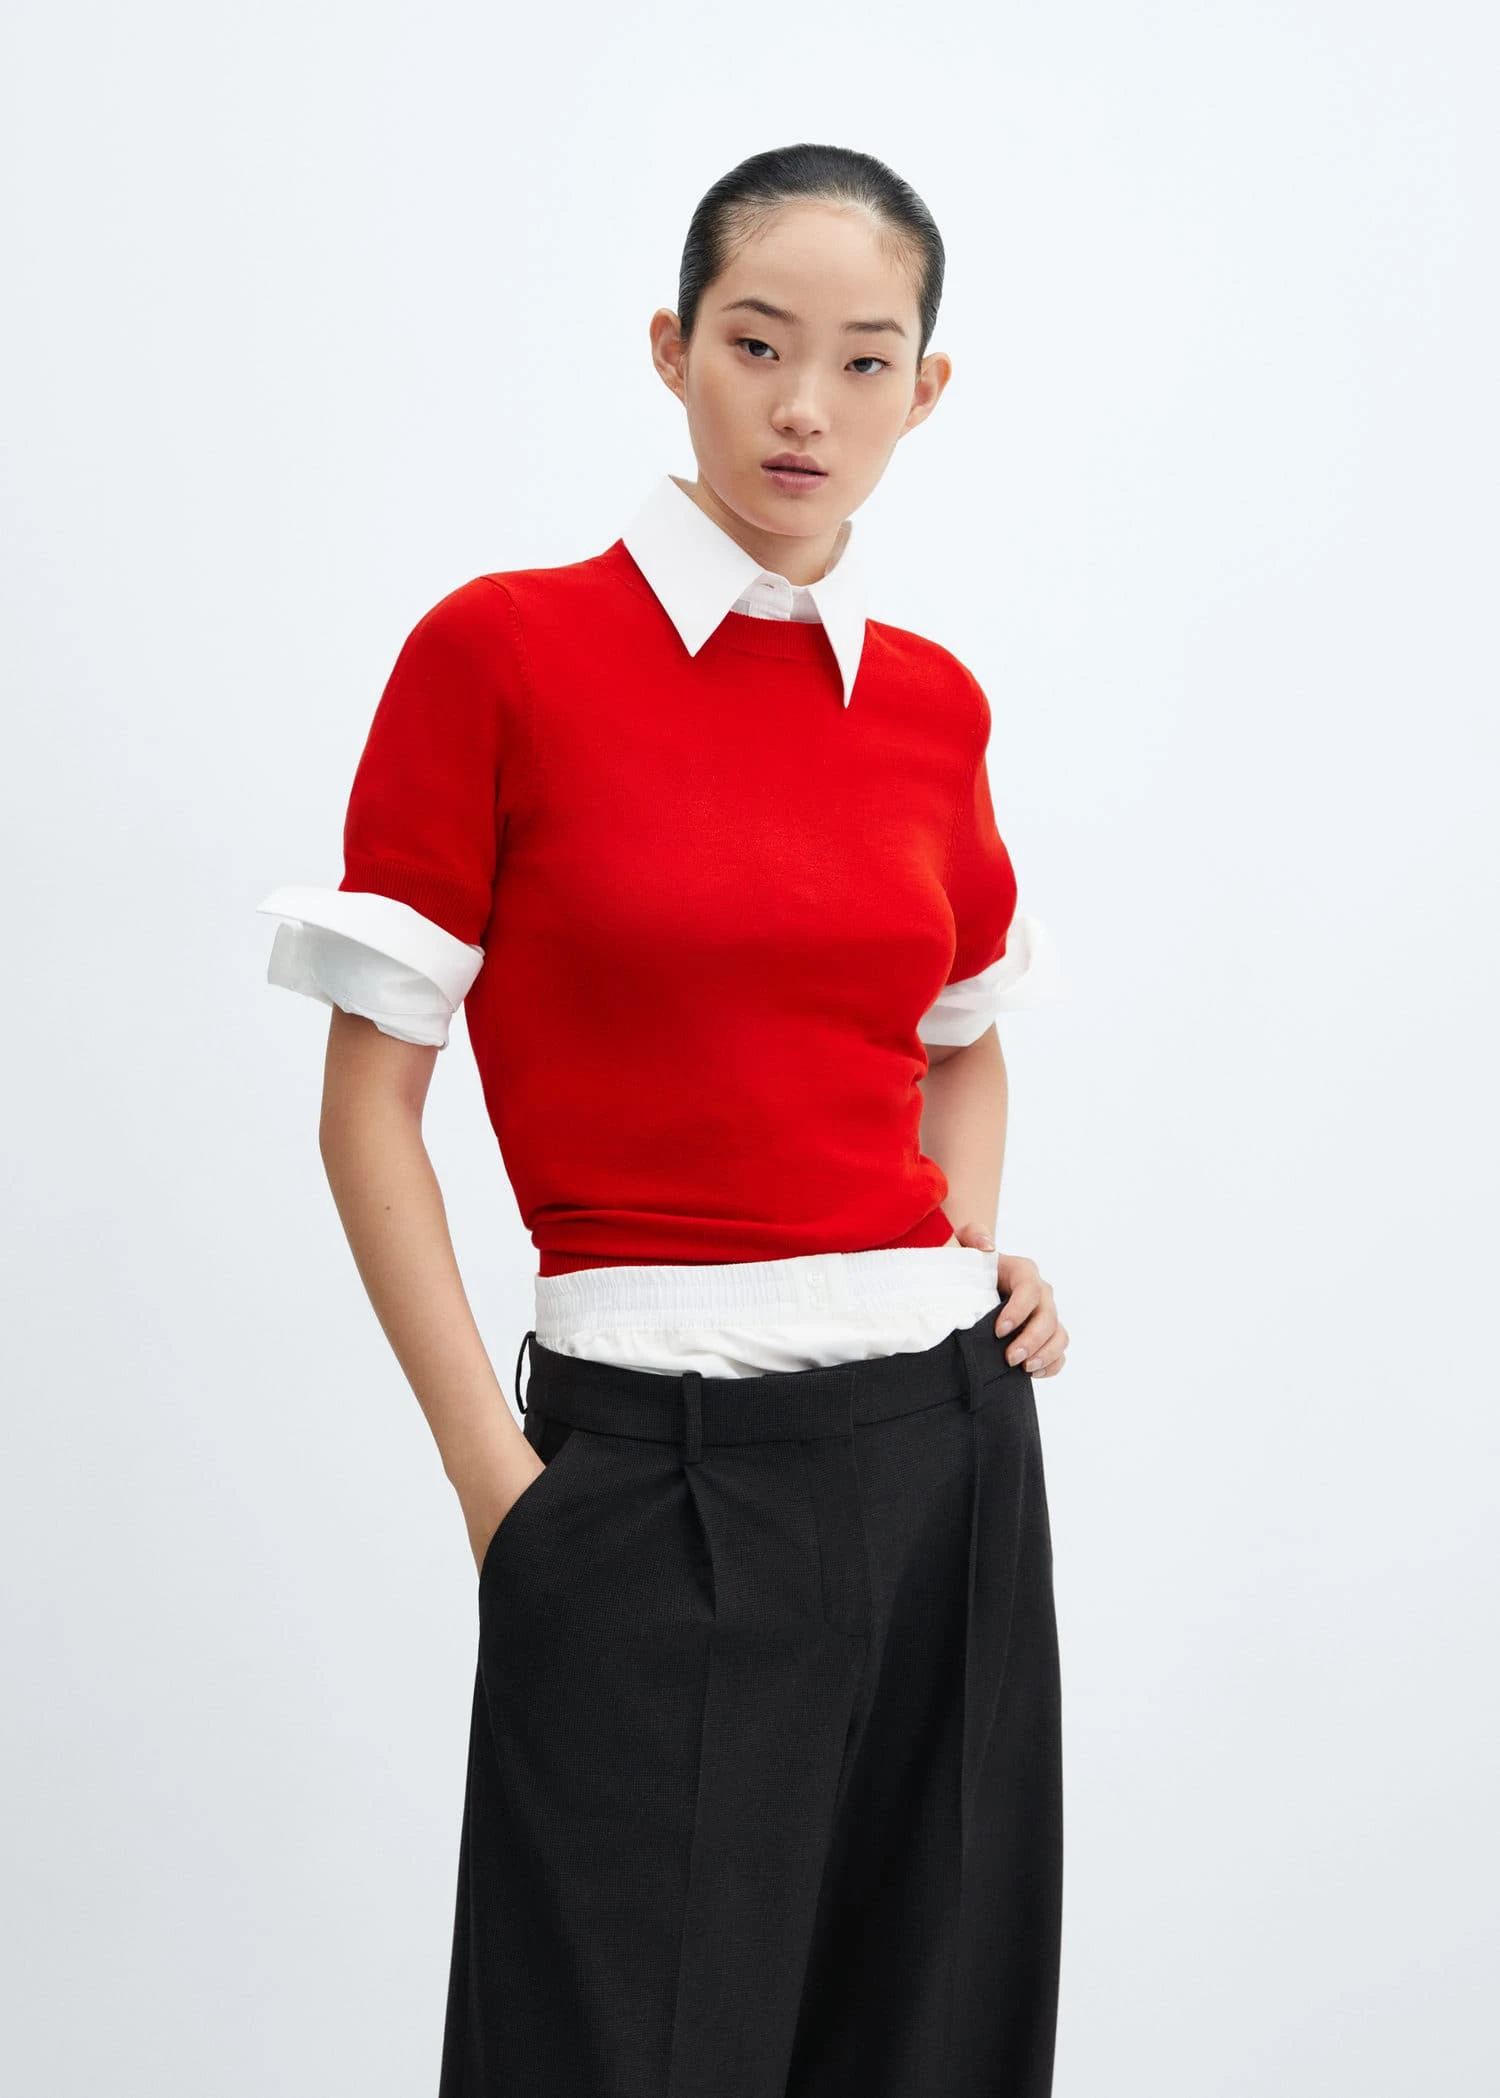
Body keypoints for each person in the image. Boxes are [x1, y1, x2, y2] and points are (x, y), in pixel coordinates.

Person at [257, 140, 1072, 2098]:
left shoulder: (933, 706)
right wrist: (500, 1488)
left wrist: (963, 1248)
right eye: (757, 343)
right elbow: (369, 1107)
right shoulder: (504, 655)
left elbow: (961, 1037)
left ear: (925, 391)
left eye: (864, 362)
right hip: (651, 1474)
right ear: (671, 346)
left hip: (951, 1466)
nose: (806, 408)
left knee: (932, 2045)